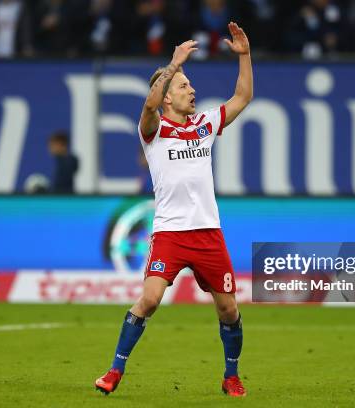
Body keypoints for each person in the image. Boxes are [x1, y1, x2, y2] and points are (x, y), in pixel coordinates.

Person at [94, 21, 253, 397]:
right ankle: (115, 371)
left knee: (228, 311)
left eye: (189, 84)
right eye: (184, 86)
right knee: (149, 299)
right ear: (167, 95)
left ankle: (231, 375)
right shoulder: (153, 130)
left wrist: (245, 56)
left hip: (208, 232)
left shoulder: (204, 125)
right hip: (169, 232)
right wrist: (172, 64)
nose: (192, 90)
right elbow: (149, 103)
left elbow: (243, 97)